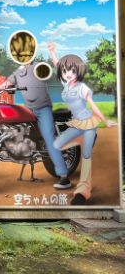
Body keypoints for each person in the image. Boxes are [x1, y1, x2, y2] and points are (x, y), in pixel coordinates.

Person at [0, 31, 68, 188]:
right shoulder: (19, 72)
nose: (23, 53)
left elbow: (58, 71)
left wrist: (52, 52)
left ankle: (63, 176)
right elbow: (6, 84)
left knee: (49, 139)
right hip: (28, 111)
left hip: (43, 110)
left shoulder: (39, 67)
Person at [48, 44, 116, 204]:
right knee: (56, 145)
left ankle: (83, 192)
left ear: (78, 71)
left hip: (88, 124)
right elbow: (58, 64)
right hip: (77, 124)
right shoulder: (67, 84)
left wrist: (105, 121)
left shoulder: (82, 88)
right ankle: (81, 143)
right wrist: (52, 51)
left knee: (86, 156)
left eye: (71, 71)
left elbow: (92, 106)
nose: (68, 74)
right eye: (65, 71)